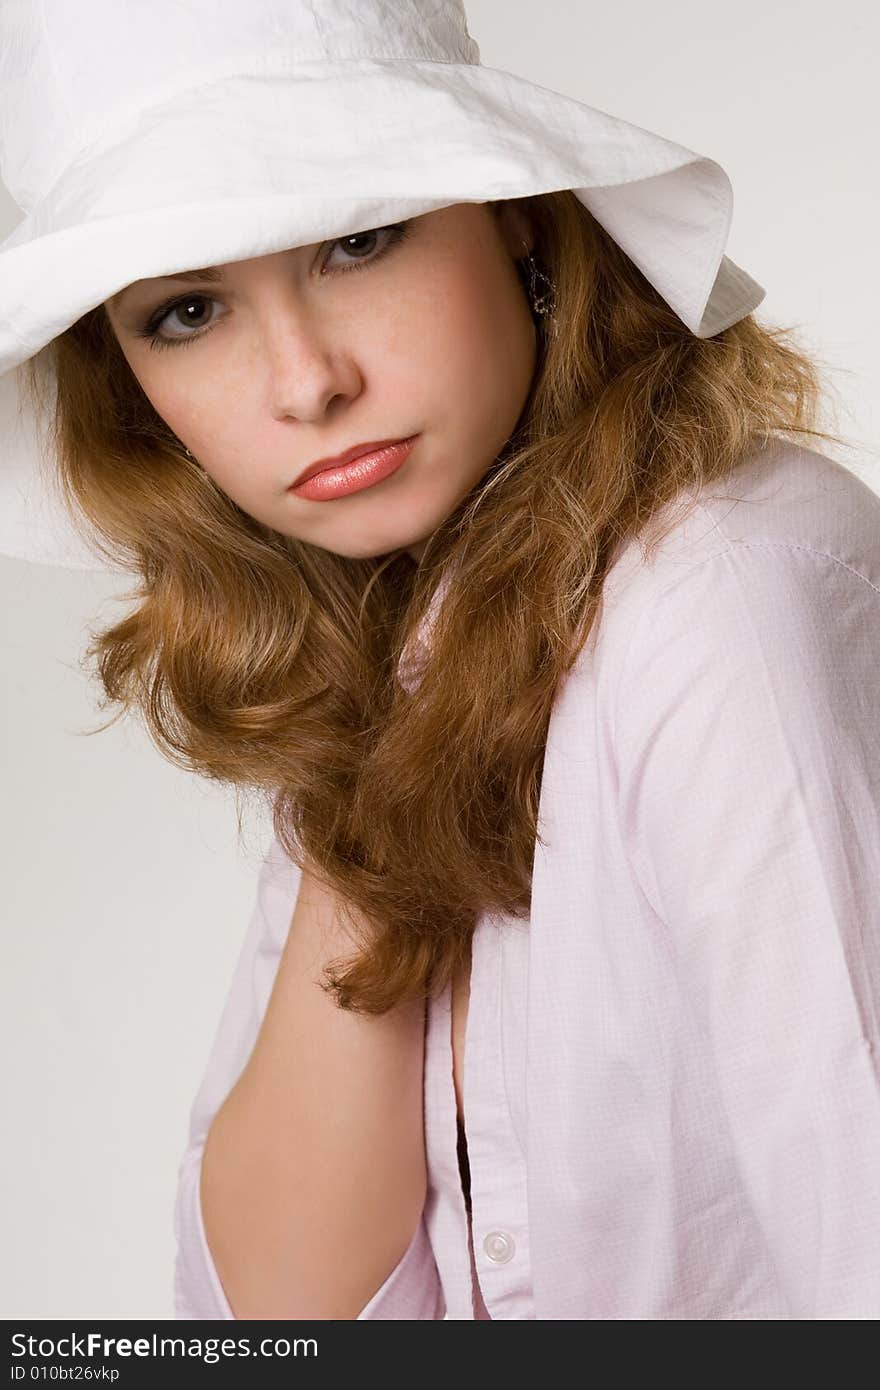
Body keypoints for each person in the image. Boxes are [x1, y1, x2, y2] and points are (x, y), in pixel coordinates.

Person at [2, 0, 879, 1321]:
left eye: (359, 238)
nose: (304, 382)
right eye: (189, 311)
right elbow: (269, 1319)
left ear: (515, 210)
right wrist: (385, 759)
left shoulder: (720, 595)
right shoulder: (396, 642)